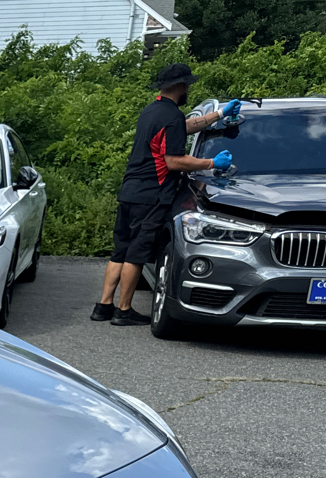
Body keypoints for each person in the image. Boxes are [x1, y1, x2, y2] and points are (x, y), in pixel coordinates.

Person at [93, 65, 240, 325]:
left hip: (130, 190)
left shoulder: (152, 111)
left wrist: (218, 114)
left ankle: (103, 306)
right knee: (136, 255)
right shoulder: (170, 116)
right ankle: (123, 311)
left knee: (120, 250)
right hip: (151, 194)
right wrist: (210, 164)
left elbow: (185, 127)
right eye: (187, 85)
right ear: (180, 86)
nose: (188, 90)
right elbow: (173, 161)